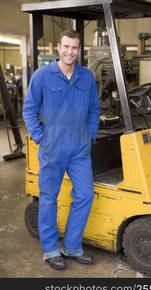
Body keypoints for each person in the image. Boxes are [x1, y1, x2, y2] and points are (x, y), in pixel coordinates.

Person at [23, 30, 100, 270]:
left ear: (79, 50)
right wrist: (40, 138)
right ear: (58, 47)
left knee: (86, 194)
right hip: (52, 146)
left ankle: (72, 245)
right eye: (66, 47)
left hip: (79, 148)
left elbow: (94, 109)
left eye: (74, 48)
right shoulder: (42, 76)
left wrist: (90, 135)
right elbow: (29, 109)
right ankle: (50, 249)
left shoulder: (86, 77)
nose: (70, 52)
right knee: (48, 198)